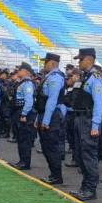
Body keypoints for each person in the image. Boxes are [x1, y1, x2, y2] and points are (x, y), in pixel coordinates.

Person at [67, 48, 102, 201]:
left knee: (89, 156)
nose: (79, 62)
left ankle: (90, 189)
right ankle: (85, 186)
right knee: (81, 155)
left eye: (81, 60)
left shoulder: (95, 78)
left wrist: (95, 125)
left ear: (89, 59)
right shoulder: (85, 77)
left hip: (88, 120)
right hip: (79, 117)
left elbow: (98, 103)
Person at [34, 53, 66, 184]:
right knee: (46, 146)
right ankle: (53, 174)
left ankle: (56, 176)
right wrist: (39, 118)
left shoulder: (55, 78)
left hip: (52, 115)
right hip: (45, 113)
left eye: (45, 62)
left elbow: (52, 100)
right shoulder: (48, 77)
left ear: (52, 63)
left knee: (51, 147)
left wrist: (46, 120)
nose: (44, 65)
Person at [9, 62, 36, 167]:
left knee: (24, 139)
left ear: (25, 71)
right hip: (18, 112)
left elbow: (29, 101)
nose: (18, 72)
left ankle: (25, 162)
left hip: (24, 113)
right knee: (20, 138)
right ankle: (22, 160)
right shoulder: (21, 82)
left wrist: (24, 114)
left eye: (20, 70)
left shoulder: (27, 83)